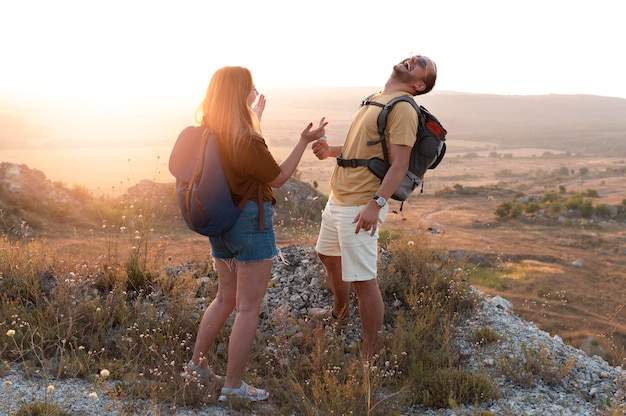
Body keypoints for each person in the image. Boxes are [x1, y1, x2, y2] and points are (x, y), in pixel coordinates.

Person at [182, 66, 327, 401]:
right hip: (249, 222)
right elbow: (277, 177)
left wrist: (253, 118)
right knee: (247, 307)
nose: (255, 91)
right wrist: (304, 141)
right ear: (238, 94)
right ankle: (233, 386)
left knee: (224, 298)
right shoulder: (245, 138)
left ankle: (196, 367)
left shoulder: (210, 130)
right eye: (251, 88)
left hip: (219, 221)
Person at [308, 54, 437, 360]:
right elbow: (362, 149)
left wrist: (376, 204)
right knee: (326, 254)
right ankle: (340, 314)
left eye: (421, 63)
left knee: (364, 280)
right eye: (414, 56)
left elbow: (400, 163)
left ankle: (371, 354)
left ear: (419, 84)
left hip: (361, 202)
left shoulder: (404, 107)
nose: (413, 59)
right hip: (340, 195)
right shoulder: (376, 99)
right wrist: (330, 152)